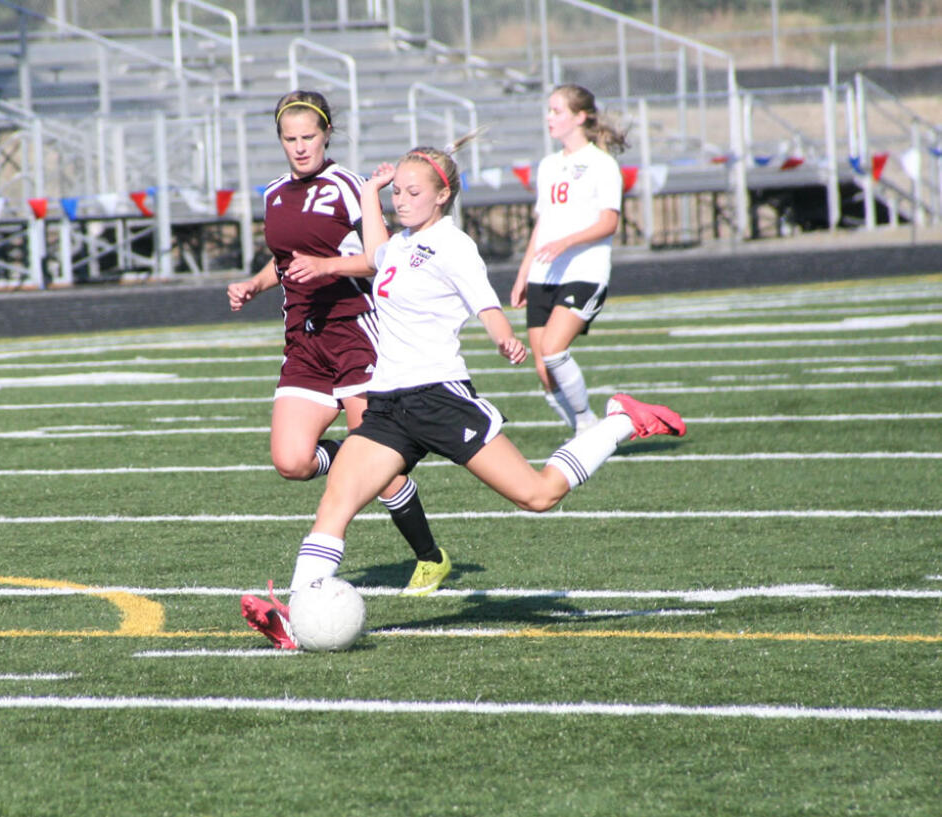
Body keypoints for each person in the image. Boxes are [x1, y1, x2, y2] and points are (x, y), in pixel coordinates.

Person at [241, 139, 685, 649]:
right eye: (398, 193)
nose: (401, 200)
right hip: (387, 405)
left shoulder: (453, 245)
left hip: (440, 399)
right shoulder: (398, 246)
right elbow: (374, 247)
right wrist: (370, 190)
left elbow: (486, 305)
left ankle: (620, 419)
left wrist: (505, 338)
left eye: (412, 192)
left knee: (538, 495)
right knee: (335, 506)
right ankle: (295, 619)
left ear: (442, 196)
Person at [227, 90, 452, 597]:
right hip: (303, 339)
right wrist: (255, 284)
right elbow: (286, 260)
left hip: (356, 332)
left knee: (378, 457)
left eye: (309, 137)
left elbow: (381, 257)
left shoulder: (348, 186)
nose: (301, 147)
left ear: (327, 134)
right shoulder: (273, 193)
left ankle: (430, 557)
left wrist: (328, 266)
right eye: (291, 139)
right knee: (291, 461)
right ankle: (354, 453)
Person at [510, 84, 628, 434]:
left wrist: (567, 242)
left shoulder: (602, 164)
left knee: (553, 349)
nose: (549, 117)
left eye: (557, 111)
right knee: (545, 372)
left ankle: (587, 429)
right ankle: (585, 425)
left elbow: (609, 222)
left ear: (580, 116)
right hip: (544, 274)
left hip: (584, 271)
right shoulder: (548, 166)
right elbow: (542, 225)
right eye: (549, 110)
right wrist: (522, 274)